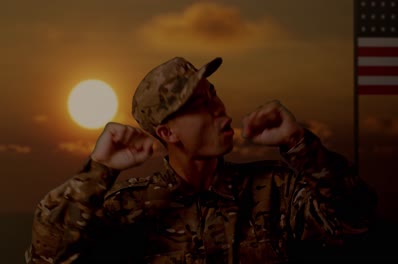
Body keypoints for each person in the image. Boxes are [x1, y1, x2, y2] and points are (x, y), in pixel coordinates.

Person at [25, 57, 376, 263]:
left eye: (214, 96)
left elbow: (356, 223)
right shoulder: (127, 209)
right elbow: (47, 257)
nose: (220, 112)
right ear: (167, 134)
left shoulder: (277, 190)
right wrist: (96, 172)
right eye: (200, 105)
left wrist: (300, 144)